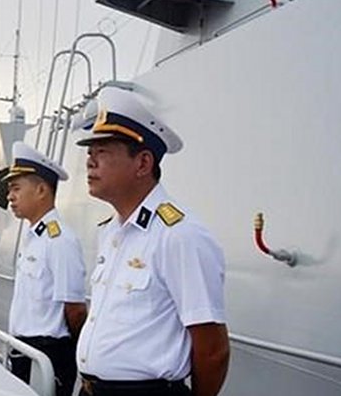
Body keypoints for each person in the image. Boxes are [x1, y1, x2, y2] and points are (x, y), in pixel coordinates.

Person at [74, 88, 230, 396]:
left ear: (143, 163)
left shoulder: (180, 235)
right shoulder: (111, 233)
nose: (90, 162)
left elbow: (213, 349)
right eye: (90, 154)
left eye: (102, 152)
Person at [0, 141, 87, 396]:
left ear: (40, 190)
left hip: (49, 356)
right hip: (24, 352)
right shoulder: (33, 238)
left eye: (16, 188)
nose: (10, 197)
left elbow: (75, 311)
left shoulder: (60, 241)